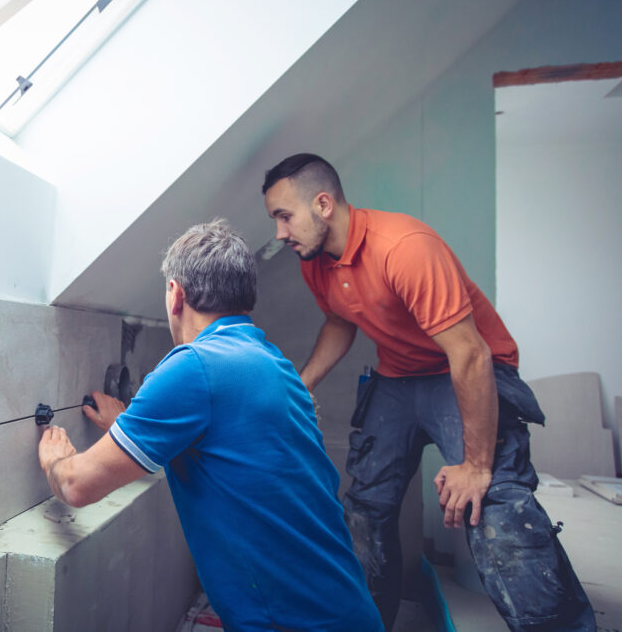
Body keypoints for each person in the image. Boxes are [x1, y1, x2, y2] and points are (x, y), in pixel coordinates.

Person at [262, 153, 595, 631]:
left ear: (323, 204)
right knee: (365, 509)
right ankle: (365, 624)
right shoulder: (315, 261)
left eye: (284, 216)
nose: (280, 233)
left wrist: (477, 466)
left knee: (494, 503)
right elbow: (340, 319)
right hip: (398, 378)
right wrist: (301, 385)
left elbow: (471, 354)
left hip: (466, 368)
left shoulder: (405, 247)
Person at [38, 219, 382, 631]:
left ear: (175, 294)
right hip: (345, 608)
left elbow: (78, 487)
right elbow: (228, 451)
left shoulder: (193, 367)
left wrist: (56, 461)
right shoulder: (272, 363)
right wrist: (128, 424)